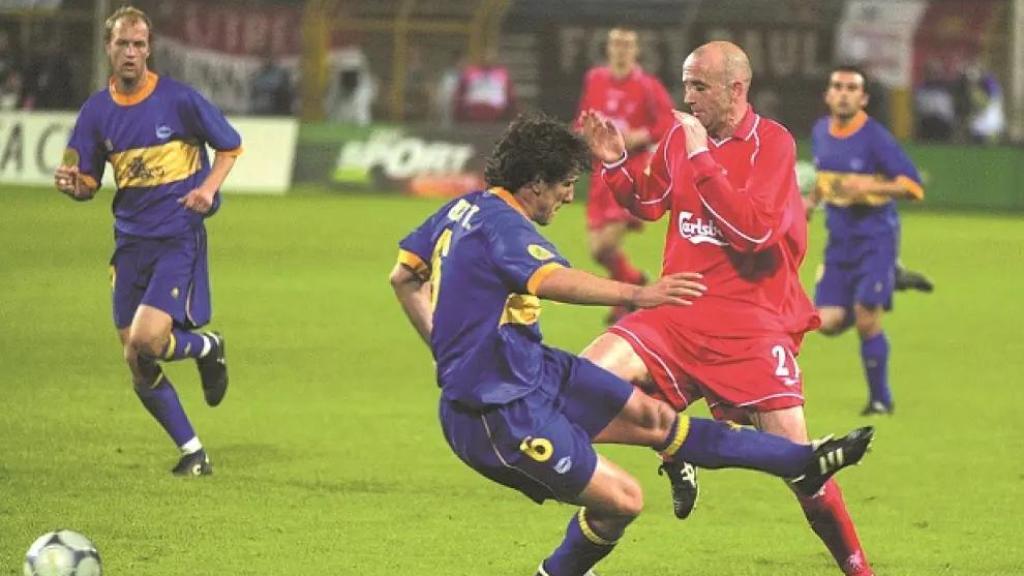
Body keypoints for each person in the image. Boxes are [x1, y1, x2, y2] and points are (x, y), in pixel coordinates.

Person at [390, 114, 873, 576]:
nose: (569, 195)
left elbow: (403, 277)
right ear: (535, 182)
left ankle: (804, 460)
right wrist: (639, 294)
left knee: (657, 418)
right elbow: (555, 280)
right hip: (494, 410)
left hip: (534, 369)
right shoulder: (505, 226)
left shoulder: (461, 207)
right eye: (563, 184)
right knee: (624, 501)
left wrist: (447, 348)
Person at [581, 42, 875, 576]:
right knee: (576, 391)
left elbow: (755, 233)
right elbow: (649, 203)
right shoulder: (681, 135)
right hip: (677, 310)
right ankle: (665, 459)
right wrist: (617, 164)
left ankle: (858, 569)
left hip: (750, 323)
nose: (687, 98)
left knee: (804, 470)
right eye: (686, 84)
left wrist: (700, 156)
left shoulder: (773, 144)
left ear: (736, 90)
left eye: (699, 87)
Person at [53, 6, 239, 476]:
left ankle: (207, 348)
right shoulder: (97, 111)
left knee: (148, 339)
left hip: (177, 238)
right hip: (130, 246)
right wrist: (75, 186)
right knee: (136, 360)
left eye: (139, 44)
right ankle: (194, 453)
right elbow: (89, 181)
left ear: (149, 49)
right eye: (123, 44)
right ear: (108, 49)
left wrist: (208, 188)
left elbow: (231, 145)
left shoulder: (179, 100)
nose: (131, 52)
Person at [808, 65, 928, 417]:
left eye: (851, 88)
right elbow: (825, 180)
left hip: (875, 238)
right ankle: (889, 279)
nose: (843, 92)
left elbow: (913, 186)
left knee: (865, 319)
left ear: (863, 98)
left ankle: (881, 400)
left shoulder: (875, 137)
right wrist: (811, 201)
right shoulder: (820, 132)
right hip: (840, 243)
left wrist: (870, 186)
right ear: (828, 95)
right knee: (826, 323)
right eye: (837, 86)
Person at [575, 27, 675, 324]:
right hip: (599, 173)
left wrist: (641, 135)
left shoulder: (648, 86)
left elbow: (668, 122)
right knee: (597, 250)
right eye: (616, 44)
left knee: (606, 244)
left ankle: (628, 297)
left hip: (630, 171)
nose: (621, 50)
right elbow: (584, 115)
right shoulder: (595, 79)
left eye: (627, 45)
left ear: (636, 51)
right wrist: (582, 132)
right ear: (608, 48)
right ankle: (635, 284)